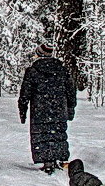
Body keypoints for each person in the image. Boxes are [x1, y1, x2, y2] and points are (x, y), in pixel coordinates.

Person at [17, 43, 76, 174]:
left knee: (42, 135)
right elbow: (71, 91)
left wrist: (23, 109)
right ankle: (57, 158)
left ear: (40, 55)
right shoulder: (62, 70)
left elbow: (25, 93)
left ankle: (47, 161)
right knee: (57, 133)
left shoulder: (32, 71)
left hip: (40, 110)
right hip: (59, 109)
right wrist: (71, 108)